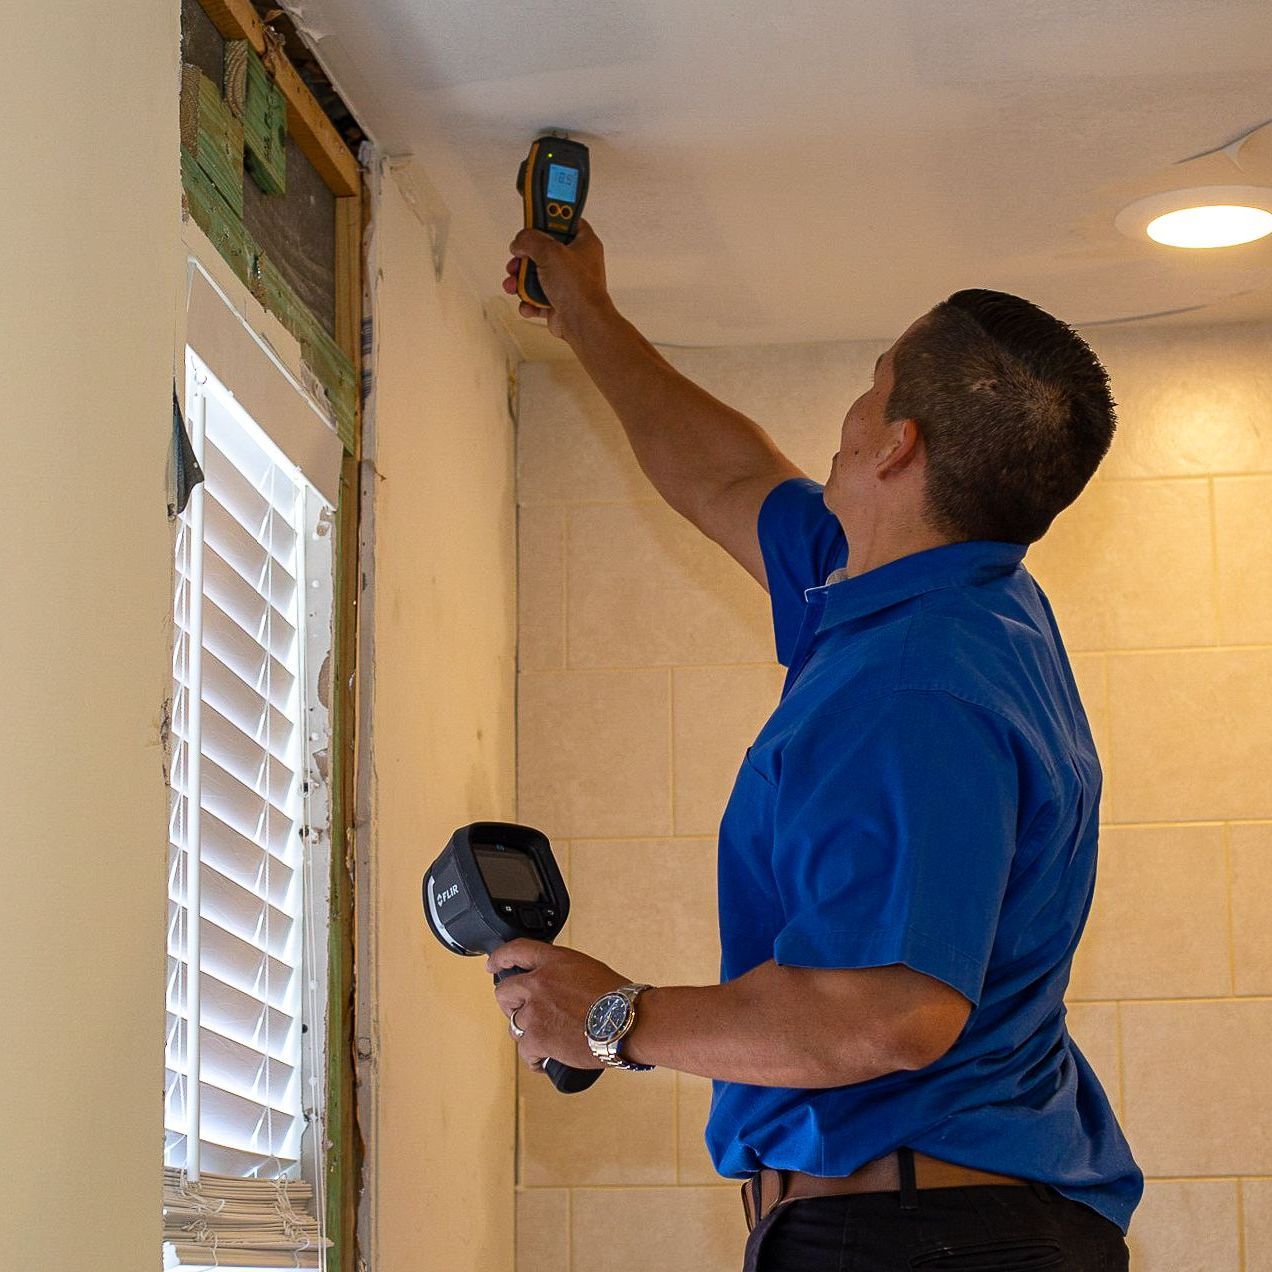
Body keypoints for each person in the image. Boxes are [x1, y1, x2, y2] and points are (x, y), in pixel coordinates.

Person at [487, 220, 1143, 1271]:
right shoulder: (947, 600)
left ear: (895, 444)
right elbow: (726, 479)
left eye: (874, 384)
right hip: (926, 1225)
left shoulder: (912, 689)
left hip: (917, 1240)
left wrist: (611, 1019)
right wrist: (588, 315)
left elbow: (891, 1015)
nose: (849, 410)